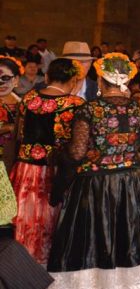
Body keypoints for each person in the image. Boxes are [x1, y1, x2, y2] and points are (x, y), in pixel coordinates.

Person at [47, 53, 140, 289]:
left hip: (94, 186)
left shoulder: (89, 110)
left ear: (102, 82)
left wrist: (57, 155)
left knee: (90, 240)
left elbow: (76, 153)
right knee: (126, 241)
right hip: (129, 185)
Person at [10, 58, 84, 264]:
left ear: (48, 76)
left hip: (25, 166)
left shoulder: (28, 98)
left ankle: (21, 261)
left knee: (26, 215)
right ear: (73, 80)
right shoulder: (75, 104)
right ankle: (46, 262)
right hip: (54, 169)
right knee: (49, 217)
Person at [0, 56, 23, 172]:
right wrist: (9, 127)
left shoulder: (24, 103)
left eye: (5, 78)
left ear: (16, 80)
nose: (1, 83)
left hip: (18, 161)